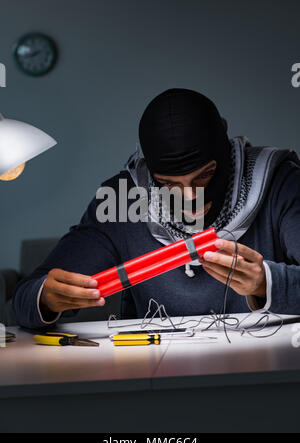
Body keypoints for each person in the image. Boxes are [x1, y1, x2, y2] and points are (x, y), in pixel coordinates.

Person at [13, 88, 300, 329]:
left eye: (204, 175)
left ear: (225, 154)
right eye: (168, 183)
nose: (190, 197)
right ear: (150, 174)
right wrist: (47, 299)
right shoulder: (124, 199)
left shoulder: (280, 182)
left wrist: (267, 283)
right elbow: (22, 300)